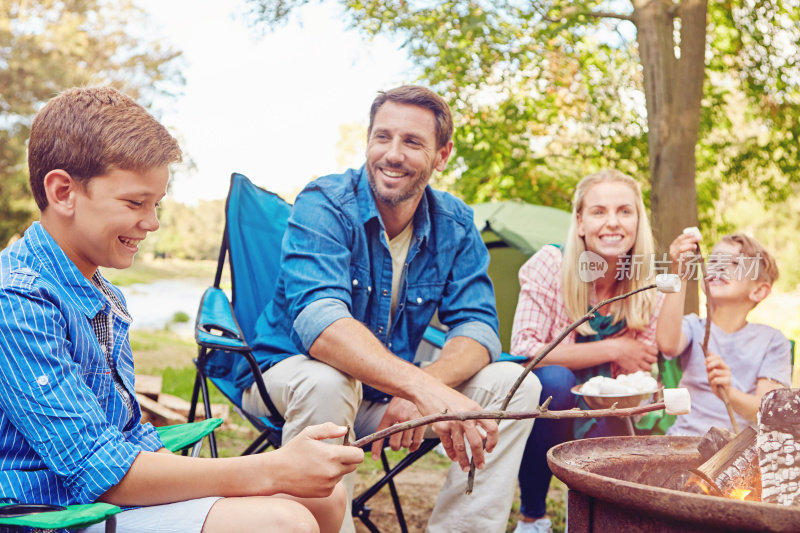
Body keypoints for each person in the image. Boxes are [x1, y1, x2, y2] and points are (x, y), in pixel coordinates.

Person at [0, 87, 363, 533]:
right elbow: (93, 468)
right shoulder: (17, 300)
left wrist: (275, 473)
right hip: (50, 512)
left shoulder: (103, 295)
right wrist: (272, 469)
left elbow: (129, 438)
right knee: (280, 522)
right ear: (63, 192)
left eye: (156, 204)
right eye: (136, 202)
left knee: (326, 500)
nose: (152, 222)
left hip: (104, 496)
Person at [237, 85, 542, 533]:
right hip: (290, 380)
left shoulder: (455, 225)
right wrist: (420, 388)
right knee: (328, 379)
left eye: (413, 142)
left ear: (442, 154)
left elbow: (479, 329)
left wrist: (420, 389)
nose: (392, 154)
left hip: (385, 396)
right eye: (383, 137)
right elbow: (322, 326)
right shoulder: (325, 204)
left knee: (514, 384)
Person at [509, 169, 663, 533]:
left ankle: (600, 518)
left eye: (625, 211)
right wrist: (613, 347)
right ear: (579, 222)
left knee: (623, 398)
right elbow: (527, 351)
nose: (613, 223)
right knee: (555, 381)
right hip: (550, 396)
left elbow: (642, 359)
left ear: (638, 221)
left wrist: (623, 368)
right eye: (599, 211)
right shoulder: (550, 264)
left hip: (607, 397)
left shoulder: (646, 279)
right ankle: (533, 517)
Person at [656, 232, 791, 435]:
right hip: (682, 442)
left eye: (735, 263)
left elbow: (768, 412)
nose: (718, 266)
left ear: (758, 291)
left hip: (736, 454)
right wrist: (679, 273)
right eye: (714, 260)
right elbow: (667, 342)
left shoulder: (772, 341)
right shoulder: (693, 327)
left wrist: (729, 393)